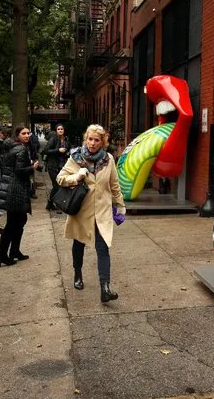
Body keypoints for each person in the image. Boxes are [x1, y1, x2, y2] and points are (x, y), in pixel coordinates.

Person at [57, 124, 126, 303]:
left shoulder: (108, 159)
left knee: (103, 249)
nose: (93, 143)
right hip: (81, 211)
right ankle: (77, 274)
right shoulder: (75, 158)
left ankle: (105, 288)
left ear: (102, 142)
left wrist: (120, 205)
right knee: (78, 244)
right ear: (85, 139)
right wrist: (77, 176)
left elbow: (114, 185)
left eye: (97, 140)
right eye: (90, 139)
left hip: (102, 212)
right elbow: (60, 179)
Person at [0, 126, 38, 266]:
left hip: (10, 186)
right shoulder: (21, 149)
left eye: (28, 133)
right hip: (16, 189)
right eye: (23, 133)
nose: (26, 135)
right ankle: (2, 255)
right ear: (17, 135)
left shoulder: (10, 146)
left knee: (19, 221)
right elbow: (20, 170)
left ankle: (14, 251)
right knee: (13, 224)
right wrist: (32, 167)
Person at [45, 124, 70, 212]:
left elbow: (68, 150)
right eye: (58, 129)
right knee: (57, 185)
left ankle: (50, 203)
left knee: (58, 185)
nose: (60, 130)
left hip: (62, 165)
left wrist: (67, 153)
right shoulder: (53, 139)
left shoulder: (66, 140)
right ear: (56, 131)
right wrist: (57, 150)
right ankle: (58, 205)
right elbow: (46, 151)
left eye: (61, 129)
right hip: (52, 166)